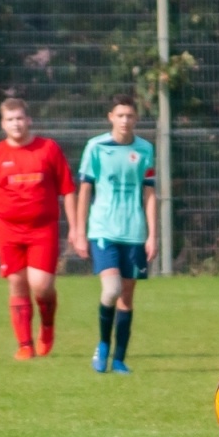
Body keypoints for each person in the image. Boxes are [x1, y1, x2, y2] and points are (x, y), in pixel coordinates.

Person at [0, 98, 77, 360]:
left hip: (43, 229)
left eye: (20, 118)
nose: (16, 124)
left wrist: (75, 229)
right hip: (8, 231)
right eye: (10, 120)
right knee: (17, 284)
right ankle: (25, 345)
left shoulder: (48, 149)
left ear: (29, 120)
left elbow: (67, 190)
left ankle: (47, 325)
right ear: (3, 124)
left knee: (41, 286)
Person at [71, 94, 156, 374]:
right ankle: (103, 345)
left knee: (127, 298)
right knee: (112, 289)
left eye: (130, 116)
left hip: (133, 233)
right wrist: (79, 231)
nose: (125, 120)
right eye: (120, 115)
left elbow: (149, 194)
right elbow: (84, 192)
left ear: (136, 119)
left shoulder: (144, 149)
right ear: (110, 117)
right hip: (103, 230)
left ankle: (119, 359)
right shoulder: (96, 147)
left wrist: (152, 235)